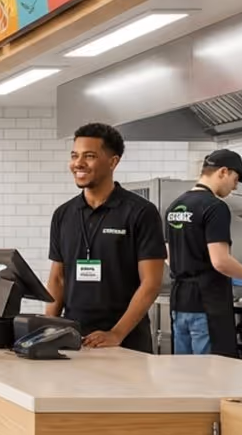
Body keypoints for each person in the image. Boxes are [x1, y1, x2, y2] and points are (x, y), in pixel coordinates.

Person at [44, 123, 166, 352]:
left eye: (89, 156)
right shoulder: (63, 214)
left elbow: (151, 283)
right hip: (73, 340)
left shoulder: (141, 212)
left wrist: (116, 334)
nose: (78, 163)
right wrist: (47, 328)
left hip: (125, 343)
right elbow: (57, 279)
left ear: (113, 162)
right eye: (74, 155)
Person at [165, 151, 242, 356]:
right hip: (207, 305)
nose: (235, 186)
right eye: (235, 179)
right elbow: (221, 261)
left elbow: (169, 257)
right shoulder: (215, 207)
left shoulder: (175, 206)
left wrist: (228, 278)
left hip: (180, 304)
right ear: (223, 172)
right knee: (211, 376)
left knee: (183, 375)